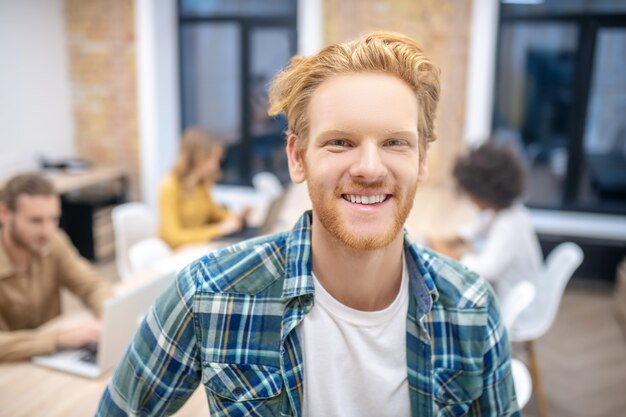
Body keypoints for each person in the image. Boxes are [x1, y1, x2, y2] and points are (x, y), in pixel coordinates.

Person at [97, 31, 519, 416]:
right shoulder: (207, 295)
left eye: (395, 142)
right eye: (340, 142)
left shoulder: (472, 310)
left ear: (422, 160)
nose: (370, 168)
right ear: (297, 158)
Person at [0, 173, 112, 361]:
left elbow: (91, 285)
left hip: (50, 358)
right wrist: (60, 338)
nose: (47, 231)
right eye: (35, 221)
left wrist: (108, 317)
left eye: (54, 219)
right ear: (4, 214)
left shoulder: (54, 241)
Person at [428, 142, 544, 300]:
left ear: (485, 192)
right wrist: (448, 241)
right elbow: (474, 230)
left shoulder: (509, 224)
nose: (471, 200)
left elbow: (486, 270)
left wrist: (450, 255)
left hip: (513, 303)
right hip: (511, 291)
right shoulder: (505, 211)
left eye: (471, 194)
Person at [158, 127, 246, 248]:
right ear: (198, 158)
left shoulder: (201, 184)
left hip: (197, 248)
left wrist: (239, 217)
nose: (215, 166)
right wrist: (218, 230)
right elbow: (173, 237)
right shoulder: (169, 186)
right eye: (213, 159)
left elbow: (216, 213)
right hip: (177, 254)